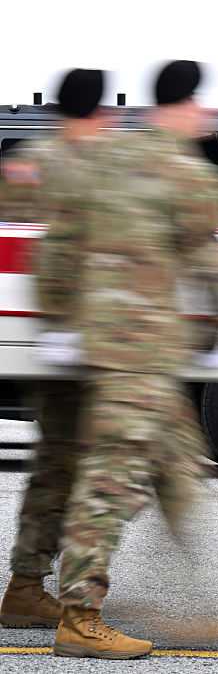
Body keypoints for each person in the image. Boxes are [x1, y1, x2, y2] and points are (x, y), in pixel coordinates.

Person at [42, 60, 218, 659]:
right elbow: (212, 269)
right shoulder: (188, 177)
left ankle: (196, 604)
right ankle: (80, 617)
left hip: (108, 343)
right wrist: (215, 336)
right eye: (204, 103)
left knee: (177, 472)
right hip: (143, 350)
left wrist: (59, 321)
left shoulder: (102, 161)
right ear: (188, 104)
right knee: (112, 480)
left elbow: (60, 246)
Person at [0, 70, 112, 632]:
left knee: (57, 465)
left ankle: (26, 586)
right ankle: (76, 606)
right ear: (99, 110)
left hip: (43, 336)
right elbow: (61, 248)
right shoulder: (86, 166)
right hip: (84, 338)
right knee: (101, 469)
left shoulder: (30, 160)